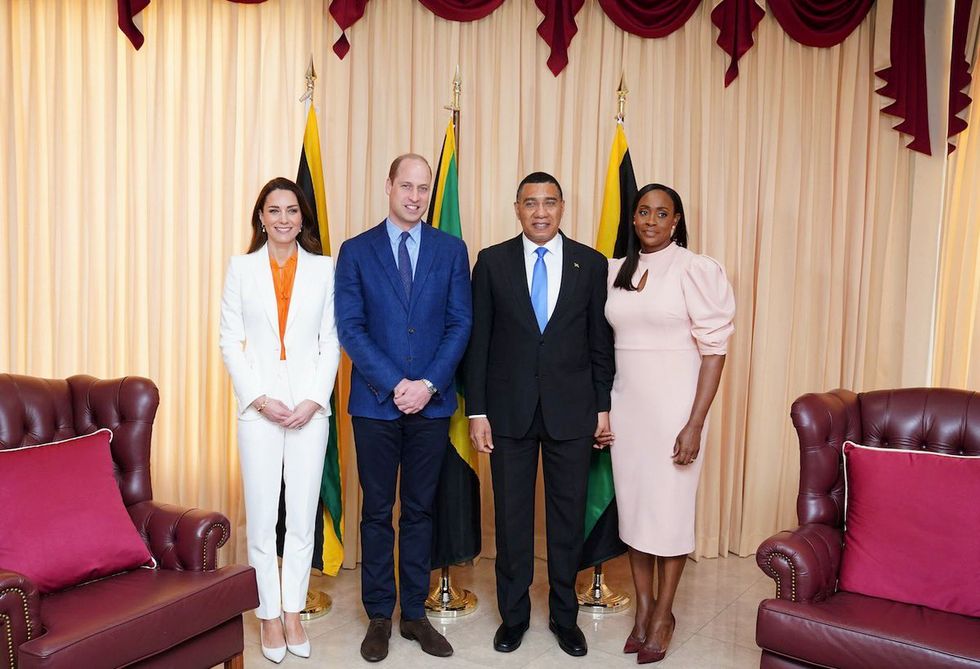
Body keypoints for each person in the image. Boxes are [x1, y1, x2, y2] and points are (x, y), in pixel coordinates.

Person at [466, 172, 615, 658]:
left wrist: (602, 406)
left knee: (566, 521)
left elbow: (600, 342)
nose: (540, 212)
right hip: (508, 414)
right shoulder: (491, 262)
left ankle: (564, 618)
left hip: (572, 414)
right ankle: (513, 617)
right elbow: (479, 343)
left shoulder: (590, 265)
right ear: (517, 208)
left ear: (563, 207)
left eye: (549, 202)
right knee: (511, 521)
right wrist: (477, 411)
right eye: (531, 203)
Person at [334, 153, 472, 662]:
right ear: (388, 185)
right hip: (375, 406)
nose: (415, 196)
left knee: (419, 511)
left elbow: (460, 323)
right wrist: (396, 384)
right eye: (406, 186)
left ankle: (413, 614)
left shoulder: (451, 249)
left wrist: (429, 383)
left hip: (432, 407)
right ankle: (378, 615)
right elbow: (351, 327)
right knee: (375, 512)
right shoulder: (355, 251)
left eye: (422, 187)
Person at [605, 183, 735, 664]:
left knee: (671, 513)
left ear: (676, 220)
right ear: (633, 218)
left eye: (662, 213)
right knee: (637, 513)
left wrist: (695, 423)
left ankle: (664, 613)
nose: (651, 220)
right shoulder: (615, 271)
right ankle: (641, 609)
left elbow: (715, 352)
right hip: (627, 410)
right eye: (643, 211)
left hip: (675, 410)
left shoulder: (696, 270)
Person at [219, 177, 341, 664]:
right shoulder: (241, 269)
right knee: (264, 516)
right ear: (261, 218)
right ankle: (268, 613)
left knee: (302, 515)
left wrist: (314, 399)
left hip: (310, 409)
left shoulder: (325, 269)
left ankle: (293, 609)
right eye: (274, 211)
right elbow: (230, 340)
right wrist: (260, 398)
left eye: (292, 210)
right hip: (260, 410)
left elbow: (331, 340)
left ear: (302, 218)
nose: (284, 219)